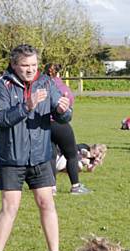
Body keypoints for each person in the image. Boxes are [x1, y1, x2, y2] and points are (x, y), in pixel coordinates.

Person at [0, 44, 71, 251]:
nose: (30, 70)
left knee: (47, 204)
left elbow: (61, 114)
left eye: (34, 65)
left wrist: (64, 110)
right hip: (12, 157)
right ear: (14, 65)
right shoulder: (1, 85)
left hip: (41, 156)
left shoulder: (45, 82)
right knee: (10, 207)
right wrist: (27, 105)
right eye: (25, 65)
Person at [43, 63, 90, 195]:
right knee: (72, 155)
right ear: (59, 73)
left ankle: (52, 187)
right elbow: (68, 107)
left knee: (51, 156)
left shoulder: (41, 85)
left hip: (45, 124)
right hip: (60, 124)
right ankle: (75, 186)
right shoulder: (62, 87)